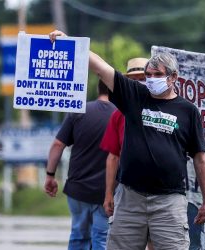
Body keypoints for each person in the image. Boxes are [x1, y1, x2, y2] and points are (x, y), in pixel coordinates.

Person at [49, 30, 205, 250]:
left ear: (173, 77)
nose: (151, 79)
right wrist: (69, 43)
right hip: (130, 199)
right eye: (149, 75)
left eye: (158, 74)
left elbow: (200, 158)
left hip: (169, 202)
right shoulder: (135, 96)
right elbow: (100, 67)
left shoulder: (188, 111)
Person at [44, 80, 116, 250]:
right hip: (107, 191)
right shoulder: (121, 115)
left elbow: (57, 145)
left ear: (98, 88)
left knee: (78, 235)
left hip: (78, 189)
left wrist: (50, 175)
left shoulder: (78, 111)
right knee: (102, 238)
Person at [100, 57, 148, 217]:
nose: (138, 84)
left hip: (163, 191)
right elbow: (113, 157)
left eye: (142, 79)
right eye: (134, 80)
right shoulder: (119, 115)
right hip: (130, 188)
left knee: (156, 240)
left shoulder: (167, 109)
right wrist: (108, 193)